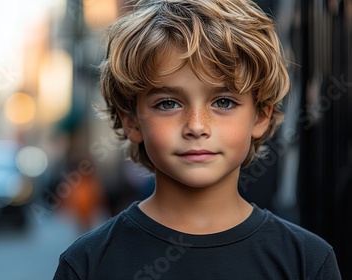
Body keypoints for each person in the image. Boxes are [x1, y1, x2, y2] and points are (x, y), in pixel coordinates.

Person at [53, 0, 342, 279]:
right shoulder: (88, 264)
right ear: (131, 120)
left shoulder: (306, 260)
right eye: (168, 104)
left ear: (261, 116)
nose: (196, 126)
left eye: (224, 102)